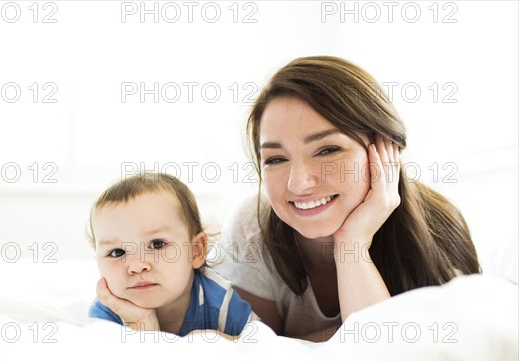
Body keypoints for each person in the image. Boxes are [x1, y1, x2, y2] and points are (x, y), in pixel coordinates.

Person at [215, 56, 481, 342]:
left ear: (385, 149)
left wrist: (351, 243)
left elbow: (384, 356)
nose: (299, 183)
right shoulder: (251, 225)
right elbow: (256, 349)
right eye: (276, 158)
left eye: (327, 150)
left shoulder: (439, 226)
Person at [87, 172, 257, 337]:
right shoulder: (107, 313)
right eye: (117, 252)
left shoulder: (220, 303)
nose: (137, 266)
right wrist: (141, 324)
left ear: (196, 251)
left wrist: (225, 343)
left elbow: (266, 348)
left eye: (157, 244)